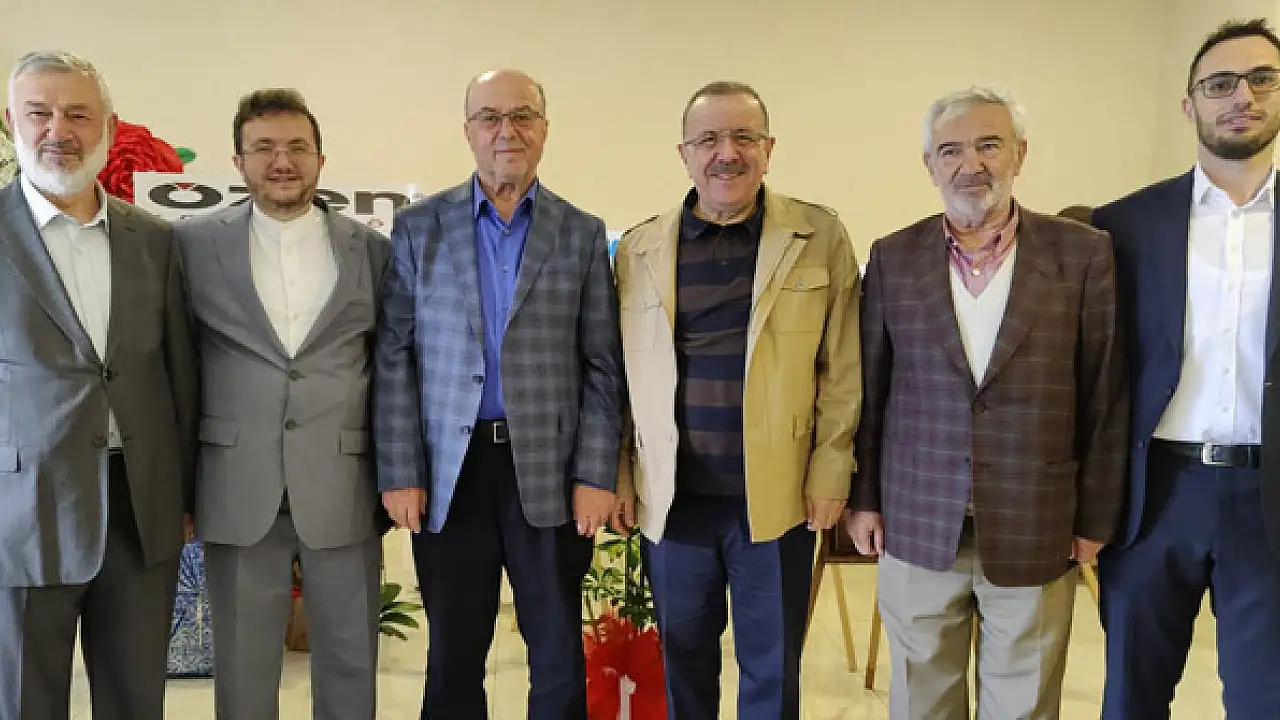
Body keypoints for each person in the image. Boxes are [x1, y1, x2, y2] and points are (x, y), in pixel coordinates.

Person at [848, 85, 1128, 719]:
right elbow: (872, 386)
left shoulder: (1083, 254)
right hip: (918, 517)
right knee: (921, 700)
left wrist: (1096, 518)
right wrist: (865, 497)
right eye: (950, 150)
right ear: (929, 164)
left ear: (1020, 154)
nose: (969, 164)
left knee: (1024, 702)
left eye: (989, 145)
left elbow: (1105, 395)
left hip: (1037, 521)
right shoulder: (893, 257)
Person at [373, 68, 624, 720]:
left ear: (544, 130)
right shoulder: (419, 228)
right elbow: (394, 356)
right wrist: (400, 471)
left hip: (549, 473)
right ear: (468, 132)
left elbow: (602, 365)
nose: (506, 131)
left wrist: (596, 475)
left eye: (521, 116)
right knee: (454, 655)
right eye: (490, 117)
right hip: (450, 475)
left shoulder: (581, 233)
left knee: (557, 653)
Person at [612, 80, 861, 719]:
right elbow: (619, 378)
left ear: (769, 148)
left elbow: (842, 369)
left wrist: (831, 471)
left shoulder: (818, 235)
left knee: (772, 669)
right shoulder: (639, 249)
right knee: (684, 663)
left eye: (744, 137)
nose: (727, 153)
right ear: (684, 154)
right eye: (709, 139)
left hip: (777, 499)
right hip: (674, 500)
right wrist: (620, 477)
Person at [175, 88, 389, 720]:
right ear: (238, 161)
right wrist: (179, 489)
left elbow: (391, 365)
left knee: (350, 659)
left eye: (298, 146)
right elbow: (177, 367)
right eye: (264, 147)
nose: (282, 161)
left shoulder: (371, 249)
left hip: (343, 480)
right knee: (243, 666)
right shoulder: (190, 246)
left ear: (321, 158)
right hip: (236, 482)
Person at [1092, 18, 1280, 719]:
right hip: (1156, 493)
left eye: (1262, 79)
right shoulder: (1123, 226)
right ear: (1190, 103)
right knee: (1132, 697)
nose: (1243, 96)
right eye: (1220, 83)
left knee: (1265, 699)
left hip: (1269, 497)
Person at [0, 50, 197, 720]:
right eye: (39, 113)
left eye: (78, 114)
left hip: (141, 507)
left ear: (108, 128)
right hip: (23, 509)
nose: (59, 130)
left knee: (136, 699)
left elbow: (179, 374)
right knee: (24, 702)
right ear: (12, 123)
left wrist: (186, 493)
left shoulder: (156, 241)